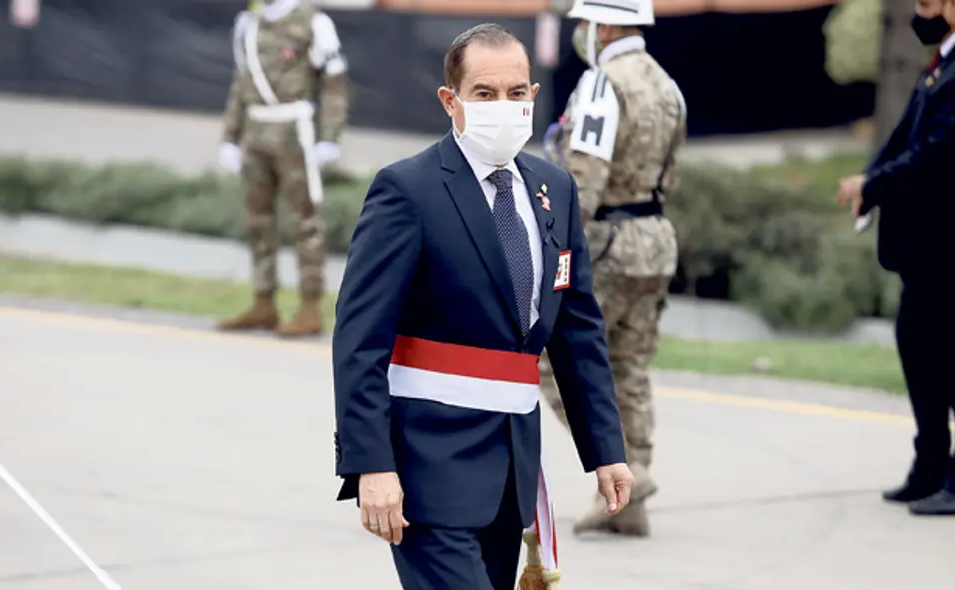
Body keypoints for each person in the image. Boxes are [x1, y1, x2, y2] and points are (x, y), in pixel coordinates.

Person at [332, 23, 634, 590]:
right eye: (485, 94)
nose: (505, 107)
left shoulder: (554, 190)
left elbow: (577, 335)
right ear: (451, 100)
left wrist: (605, 450)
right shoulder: (408, 190)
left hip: (511, 468)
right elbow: (359, 340)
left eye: (517, 94)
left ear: (534, 97)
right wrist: (370, 463)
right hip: (427, 466)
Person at [539, 0, 686, 537]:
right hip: (655, 237)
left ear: (606, 25)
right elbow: (670, 171)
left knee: (555, 357)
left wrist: (558, 241)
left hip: (607, 241)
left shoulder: (603, 84)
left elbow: (584, 176)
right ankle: (631, 505)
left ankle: (629, 470)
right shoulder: (667, 86)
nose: (582, 31)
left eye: (586, 22)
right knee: (630, 366)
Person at [837, 0, 955, 516]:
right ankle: (930, 466)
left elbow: (938, 150)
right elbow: (904, 136)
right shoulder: (941, 63)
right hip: (927, 250)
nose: (918, 11)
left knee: (945, 359)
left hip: (948, 248)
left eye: (928, 2)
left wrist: (875, 182)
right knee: (919, 351)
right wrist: (872, 179)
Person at [217, 0, 349, 337]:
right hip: (255, 131)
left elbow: (334, 84)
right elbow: (241, 82)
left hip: (295, 132)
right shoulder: (249, 23)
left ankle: (309, 306)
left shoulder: (314, 22)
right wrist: (230, 137)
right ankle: (263, 301)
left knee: (305, 222)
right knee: (257, 220)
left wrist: (329, 137)